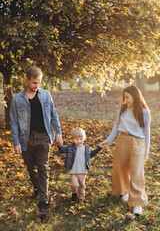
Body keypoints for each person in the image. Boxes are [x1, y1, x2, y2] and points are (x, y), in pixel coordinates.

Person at [10, 66, 63, 216]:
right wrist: (16, 142)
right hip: (25, 139)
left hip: (43, 137)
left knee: (43, 168)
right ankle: (37, 188)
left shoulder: (46, 95)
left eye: (39, 82)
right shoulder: (17, 99)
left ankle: (43, 202)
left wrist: (58, 132)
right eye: (34, 82)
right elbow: (13, 122)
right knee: (30, 168)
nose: (36, 85)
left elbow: (54, 115)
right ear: (27, 80)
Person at [100, 85, 150, 215]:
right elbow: (116, 126)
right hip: (122, 140)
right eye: (124, 97)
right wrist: (108, 140)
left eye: (127, 97)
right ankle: (124, 192)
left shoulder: (144, 112)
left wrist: (146, 152)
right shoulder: (123, 108)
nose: (125, 100)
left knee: (137, 173)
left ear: (135, 96)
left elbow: (147, 133)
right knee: (120, 169)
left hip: (137, 143)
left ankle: (138, 203)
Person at [57, 127, 102, 203]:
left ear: (84, 138)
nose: (79, 141)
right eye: (77, 139)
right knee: (75, 185)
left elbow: (92, 154)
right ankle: (74, 194)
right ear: (73, 139)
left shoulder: (86, 148)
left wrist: (99, 148)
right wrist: (59, 145)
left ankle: (81, 197)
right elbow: (63, 150)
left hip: (82, 171)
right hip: (73, 170)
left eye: (81, 139)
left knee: (82, 185)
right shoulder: (70, 147)